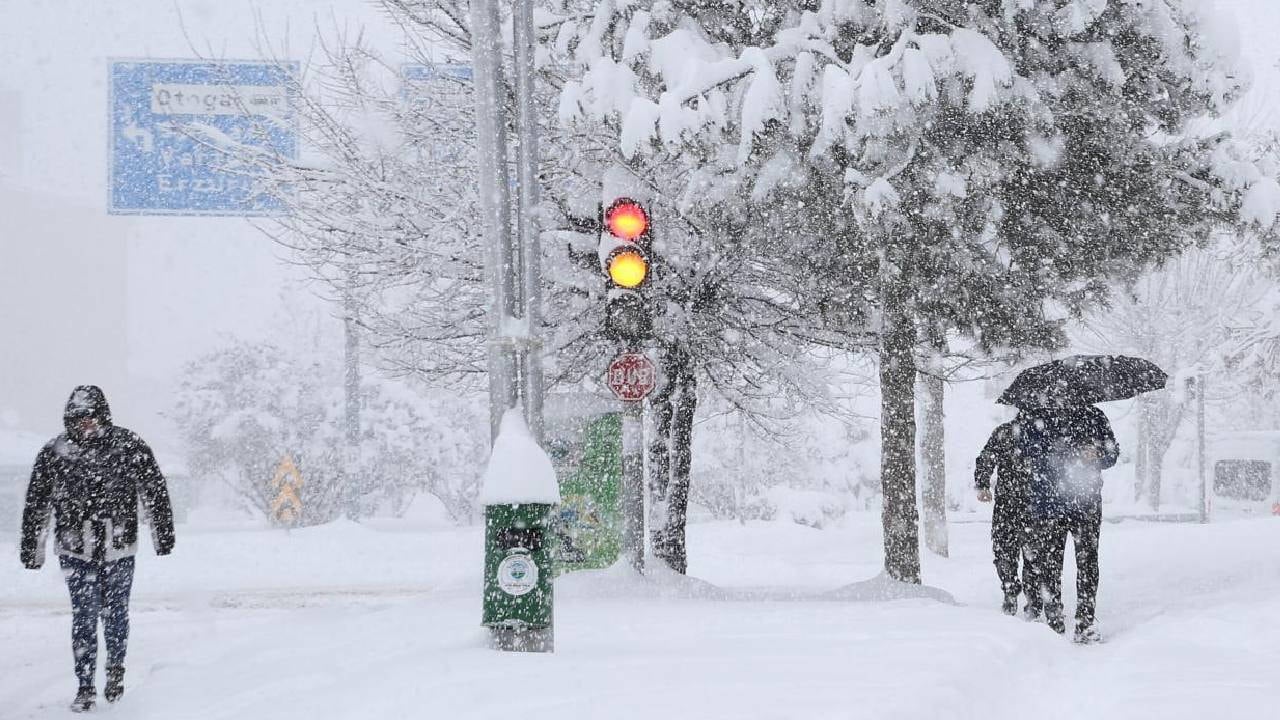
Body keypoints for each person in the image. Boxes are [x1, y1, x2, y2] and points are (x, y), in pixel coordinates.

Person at [19, 386, 175, 712]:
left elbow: (154, 490)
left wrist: (163, 534)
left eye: (91, 417)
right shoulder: (55, 452)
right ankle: (86, 685)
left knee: (116, 615)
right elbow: (37, 504)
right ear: (70, 420)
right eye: (80, 419)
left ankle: (115, 673)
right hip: (75, 550)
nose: (86, 424)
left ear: (103, 416)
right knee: (84, 618)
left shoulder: (128, 445)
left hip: (119, 547)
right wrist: (32, 549)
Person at [1019, 404, 1118, 644]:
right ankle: (1054, 620)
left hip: (1087, 503)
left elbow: (1112, 454)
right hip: (1051, 503)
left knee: (1087, 562)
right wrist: (1058, 453)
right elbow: (1025, 453)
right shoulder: (1038, 417)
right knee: (1051, 563)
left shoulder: (1094, 416)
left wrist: (1097, 454)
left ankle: (1085, 622)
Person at [974, 412, 1040, 618]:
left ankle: (1016, 593)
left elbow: (986, 457)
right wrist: (983, 483)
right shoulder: (1037, 432)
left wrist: (983, 483)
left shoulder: (1006, 432)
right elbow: (987, 458)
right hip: (1028, 504)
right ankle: (1026, 597)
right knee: (1029, 554)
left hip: (1013, 503)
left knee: (1008, 551)